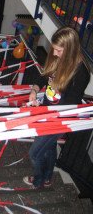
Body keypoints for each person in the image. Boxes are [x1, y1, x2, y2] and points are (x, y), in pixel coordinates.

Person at [23, 27, 90, 188]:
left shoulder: (81, 72)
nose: (55, 54)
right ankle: (47, 178)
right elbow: (45, 76)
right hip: (48, 111)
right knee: (50, 147)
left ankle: (38, 180)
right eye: (55, 49)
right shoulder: (60, 59)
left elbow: (69, 105)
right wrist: (35, 89)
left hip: (58, 119)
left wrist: (44, 111)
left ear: (70, 49)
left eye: (59, 50)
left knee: (34, 154)